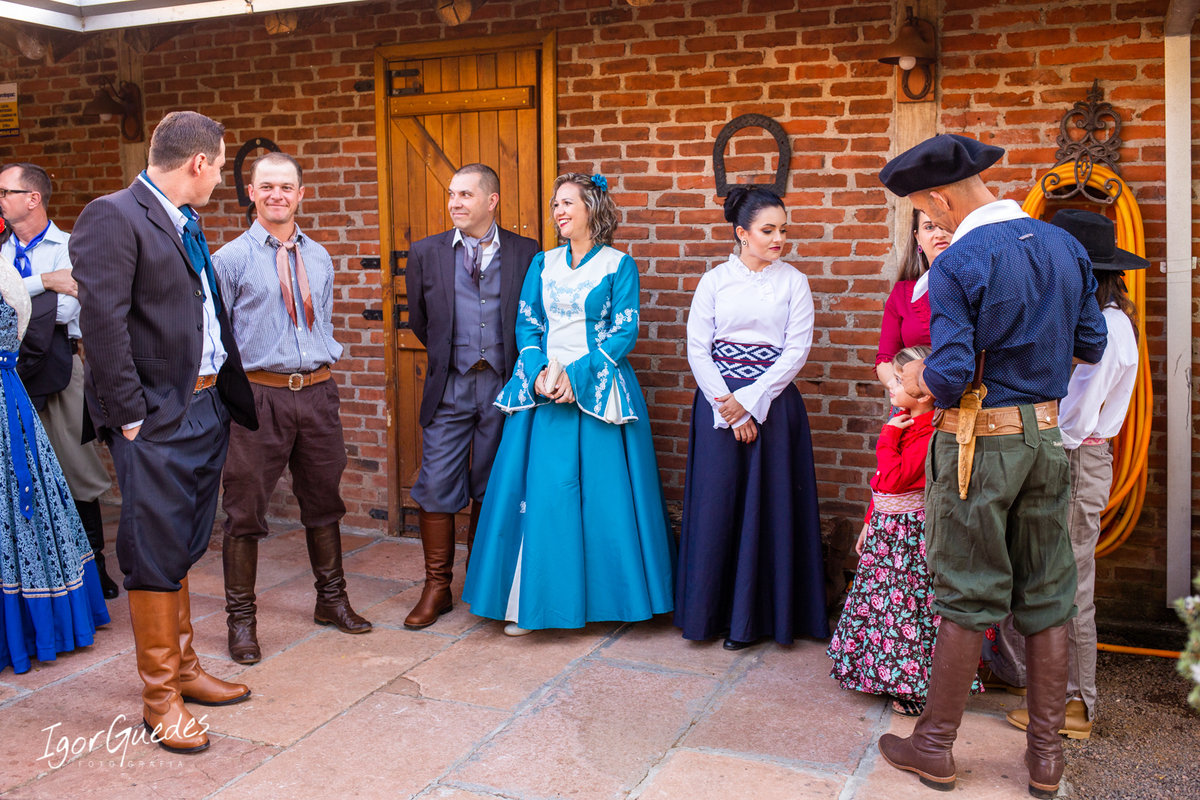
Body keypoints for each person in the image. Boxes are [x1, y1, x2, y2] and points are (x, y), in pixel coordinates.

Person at [876, 134, 1107, 798]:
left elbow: (949, 373)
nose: (934, 222)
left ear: (940, 197)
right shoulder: (1064, 244)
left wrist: (918, 377)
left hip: (978, 444)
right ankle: (1045, 759)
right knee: (1049, 592)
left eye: (929, 210)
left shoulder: (958, 261)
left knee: (967, 593)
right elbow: (1090, 343)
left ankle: (934, 746)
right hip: (1047, 440)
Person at [70, 111, 258, 755]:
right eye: (220, 167)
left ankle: (184, 668)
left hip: (205, 406)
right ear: (198, 163)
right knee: (152, 548)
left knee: (182, 542)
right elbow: (101, 322)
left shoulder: (185, 219)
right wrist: (130, 416)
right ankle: (159, 698)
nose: (220, 179)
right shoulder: (113, 215)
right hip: (154, 417)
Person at [462, 173, 676, 635]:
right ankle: (532, 604)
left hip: (598, 389)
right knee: (543, 495)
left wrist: (577, 379)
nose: (558, 212)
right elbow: (527, 323)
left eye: (567, 203)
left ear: (591, 209)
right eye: (555, 204)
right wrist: (539, 371)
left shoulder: (619, 265)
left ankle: (607, 602)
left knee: (603, 498)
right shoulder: (543, 262)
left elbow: (624, 331)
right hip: (544, 390)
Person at [989, 209, 1145, 741]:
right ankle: (1032, 678)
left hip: (1075, 456)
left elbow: (1076, 417)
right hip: (1072, 452)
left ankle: (1074, 702)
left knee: (1068, 582)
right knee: (1041, 570)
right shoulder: (1103, 318)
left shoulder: (1108, 330)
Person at [212, 151, 371, 665]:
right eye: (267, 186)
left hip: (318, 393)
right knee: (244, 511)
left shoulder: (319, 256)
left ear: (301, 194)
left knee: (324, 501)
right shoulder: (229, 260)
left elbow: (321, 321)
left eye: (286, 187)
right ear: (251, 193)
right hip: (259, 397)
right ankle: (241, 622)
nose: (276, 195)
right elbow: (217, 337)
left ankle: (332, 600)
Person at [673, 185, 825, 651]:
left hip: (775, 408)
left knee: (771, 506)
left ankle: (762, 619)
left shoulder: (794, 282)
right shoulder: (714, 281)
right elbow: (698, 348)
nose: (779, 239)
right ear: (742, 233)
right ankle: (711, 615)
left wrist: (752, 401)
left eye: (783, 230)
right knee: (718, 504)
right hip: (718, 404)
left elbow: (796, 349)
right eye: (768, 230)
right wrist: (728, 405)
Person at [403, 164, 541, 629]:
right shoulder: (426, 252)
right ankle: (437, 587)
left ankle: (482, 582)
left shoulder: (527, 252)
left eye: (465, 194)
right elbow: (421, 320)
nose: (455, 203)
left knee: (492, 483)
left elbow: (533, 316)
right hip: (450, 386)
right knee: (435, 485)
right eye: (451, 194)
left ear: (492, 200)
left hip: (504, 385)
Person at [828, 345, 982, 715]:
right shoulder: (903, 420)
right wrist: (869, 521)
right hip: (887, 529)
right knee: (881, 602)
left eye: (899, 380)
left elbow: (895, 480)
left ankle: (916, 687)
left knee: (908, 605)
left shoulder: (930, 432)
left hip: (909, 536)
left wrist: (886, 439)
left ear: (925, 392)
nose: (892, 386)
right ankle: (878, 671)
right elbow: (880, 484)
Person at [0, 163, 118, 599]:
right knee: (20, 471)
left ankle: (95, 567)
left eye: (5, 192)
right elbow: (44, 306)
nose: (0, 199)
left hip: (61, 365)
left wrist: (15, 294)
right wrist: (45, 282)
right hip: (8, 371)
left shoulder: (72, 246)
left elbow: (65, 312)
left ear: (32, 198)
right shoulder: (1, 250)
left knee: (75, 467)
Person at [0, 250, 111, 674]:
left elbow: (58, 312)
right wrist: (47, 280)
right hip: (14, 392)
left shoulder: (8, 272)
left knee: (66, 482)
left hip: (20, 391)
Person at [875, 208, 950, 387]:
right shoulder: (902, 293)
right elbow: (885, 360)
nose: (939, 234)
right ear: (917, 237)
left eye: (946, 225)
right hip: (913, 395)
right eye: (929, 227)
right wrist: (903, 390)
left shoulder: (977, 285)